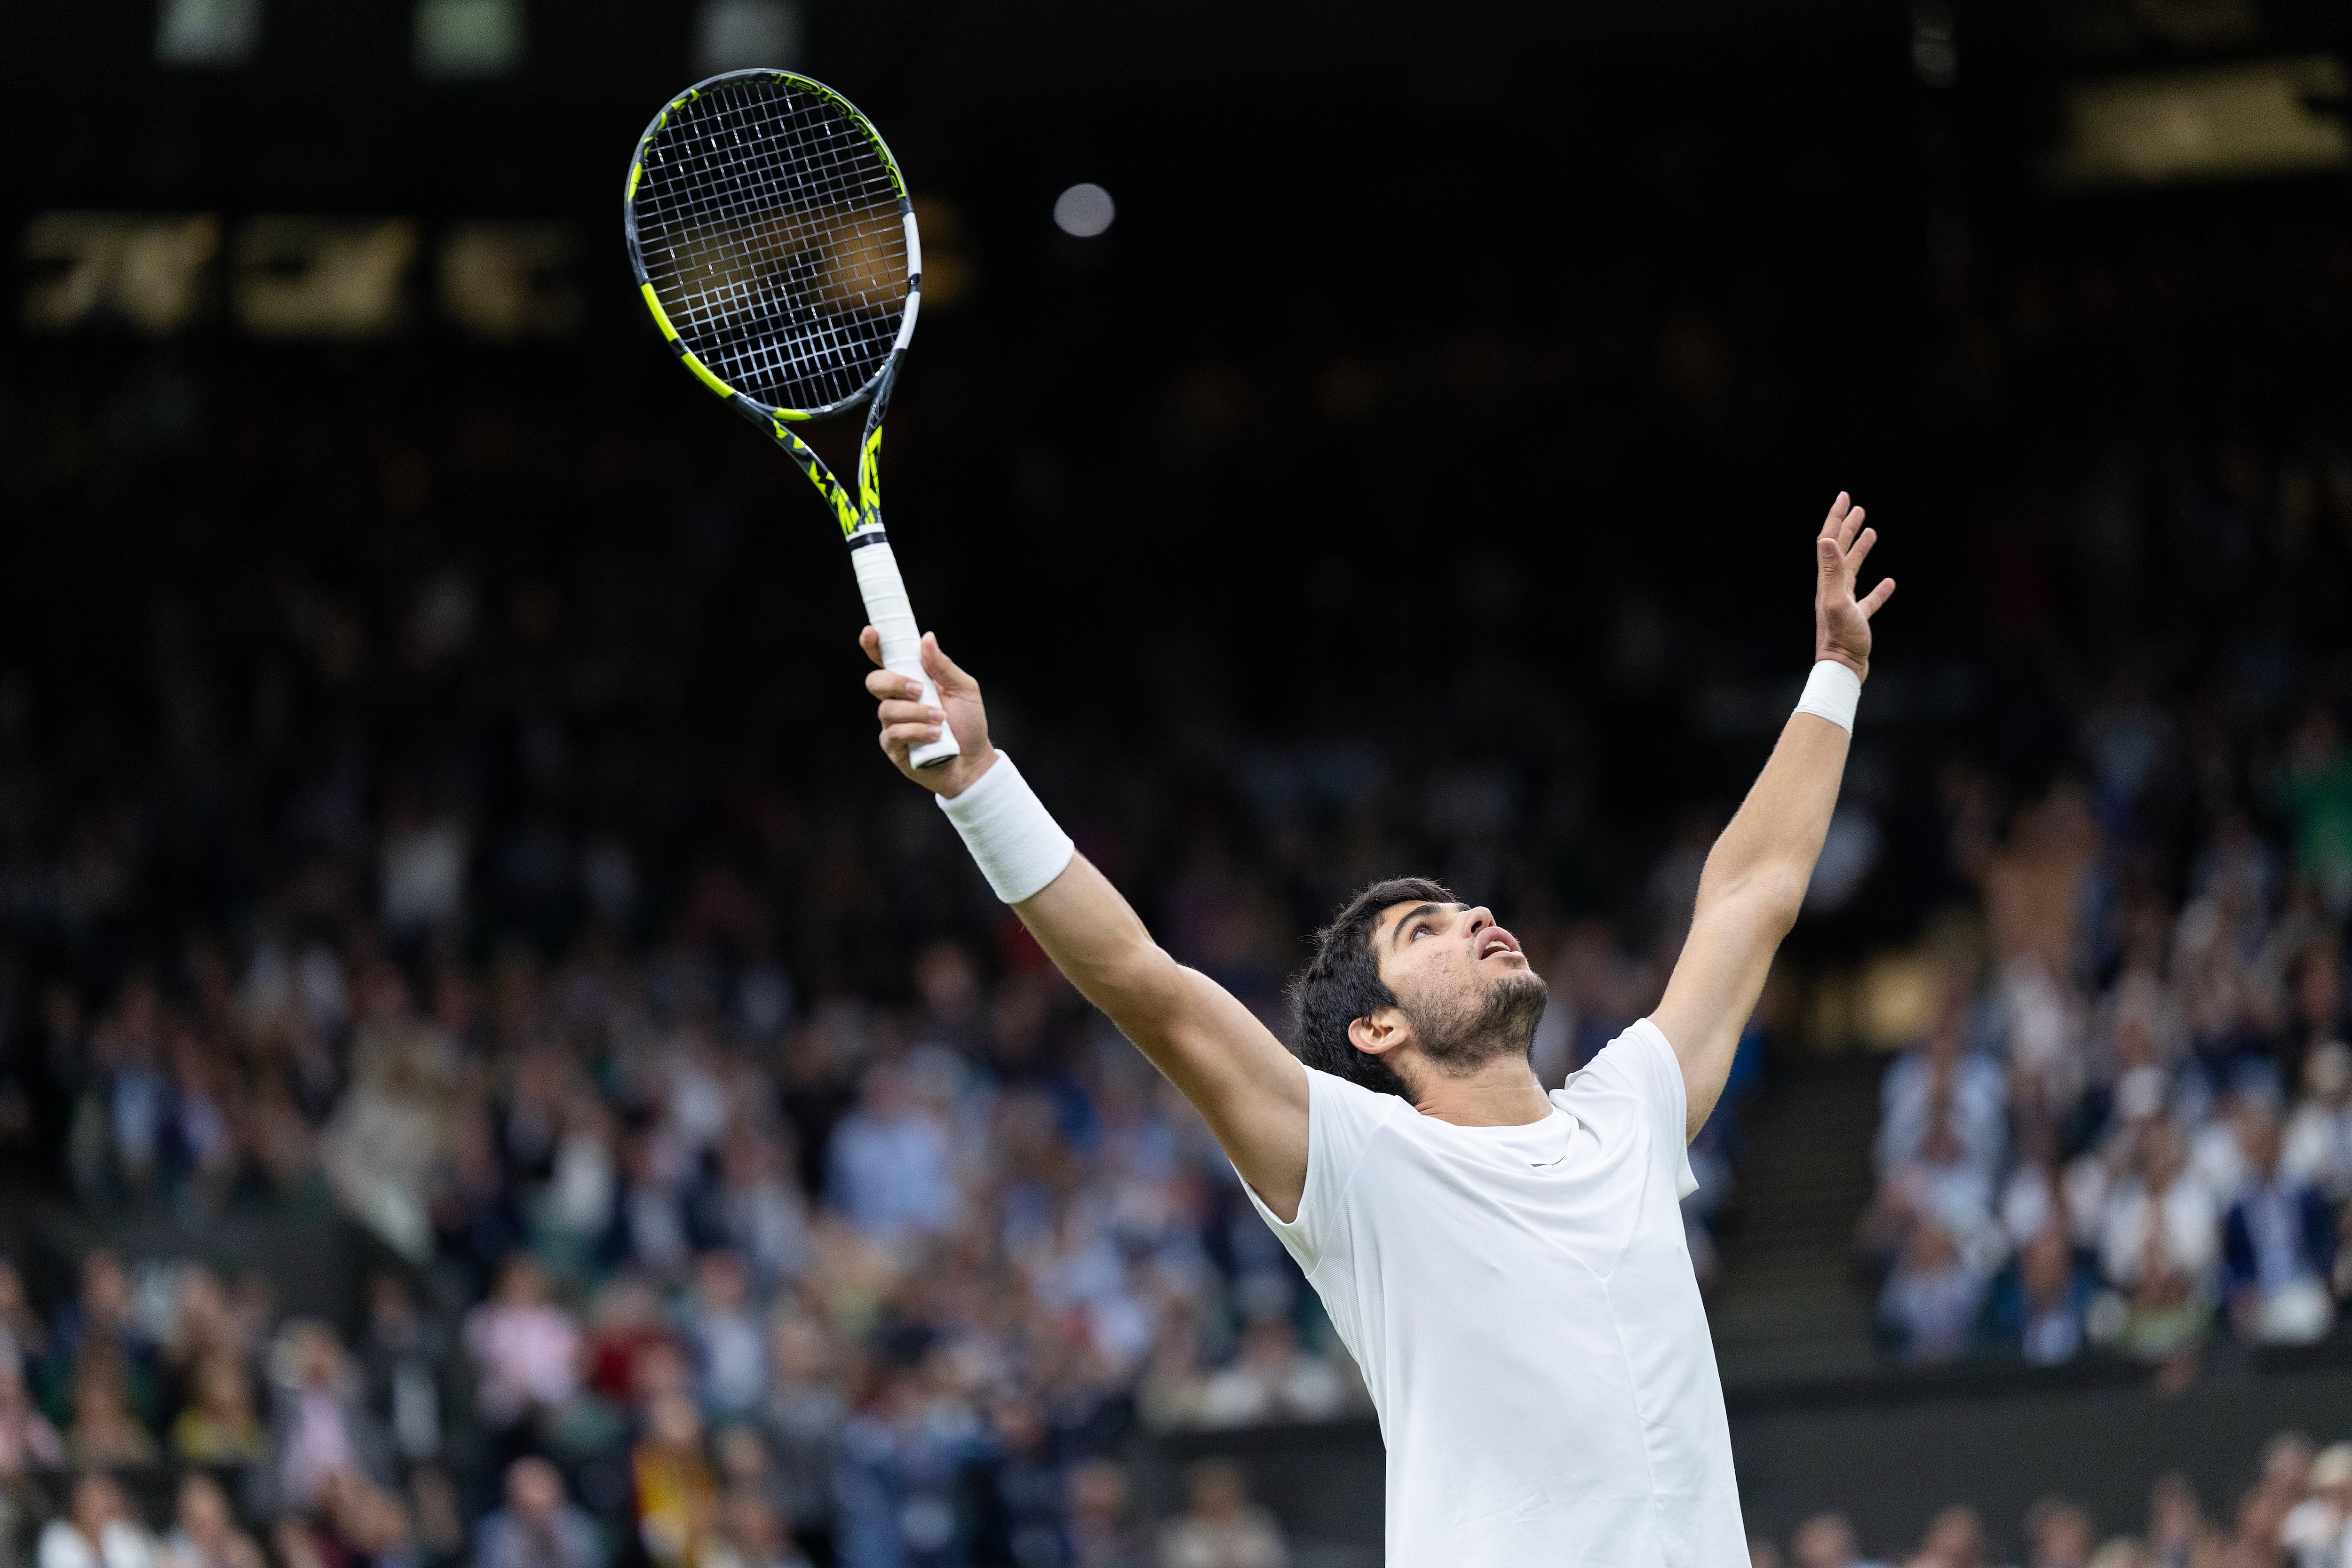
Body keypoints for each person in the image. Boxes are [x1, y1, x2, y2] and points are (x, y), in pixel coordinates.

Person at [860, 495, 1896, 1564]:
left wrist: (1834, 671)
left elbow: (1751, 891)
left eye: (1466, 908)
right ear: (1374, 1030)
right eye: (1426, 929)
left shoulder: (1631, 1113)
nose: (1480, 919)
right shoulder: (1356, 1169)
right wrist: (980, 785)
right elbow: (1145, 983)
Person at [474, 1456, 604, 1568]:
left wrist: (556, 1548)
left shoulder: (576, 1524)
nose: (540, 1517)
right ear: (512, 1504)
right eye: (530, 1509)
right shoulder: (495, 1533)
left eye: (547, 1508)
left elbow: (589, 1562)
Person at [1153, 1461, 1287, 1568]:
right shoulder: (1175, 1533)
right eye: (1210, 1491)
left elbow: (1276, 1561)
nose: (1217, 1498)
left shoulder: (1259, 1524)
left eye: (1224, 1490)